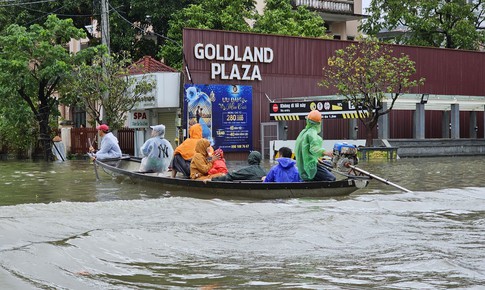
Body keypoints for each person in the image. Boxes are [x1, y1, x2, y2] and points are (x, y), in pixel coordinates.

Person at [294, 110, 336, 182]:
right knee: (332, 179)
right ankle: (319, 189)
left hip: (304, 164)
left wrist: (317, 159)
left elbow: (306, 150)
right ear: (319, 122)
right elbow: (314, 149)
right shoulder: (312, 133)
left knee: (330, 165)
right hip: (310, 165)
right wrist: (326, 153)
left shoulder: (303, 132)